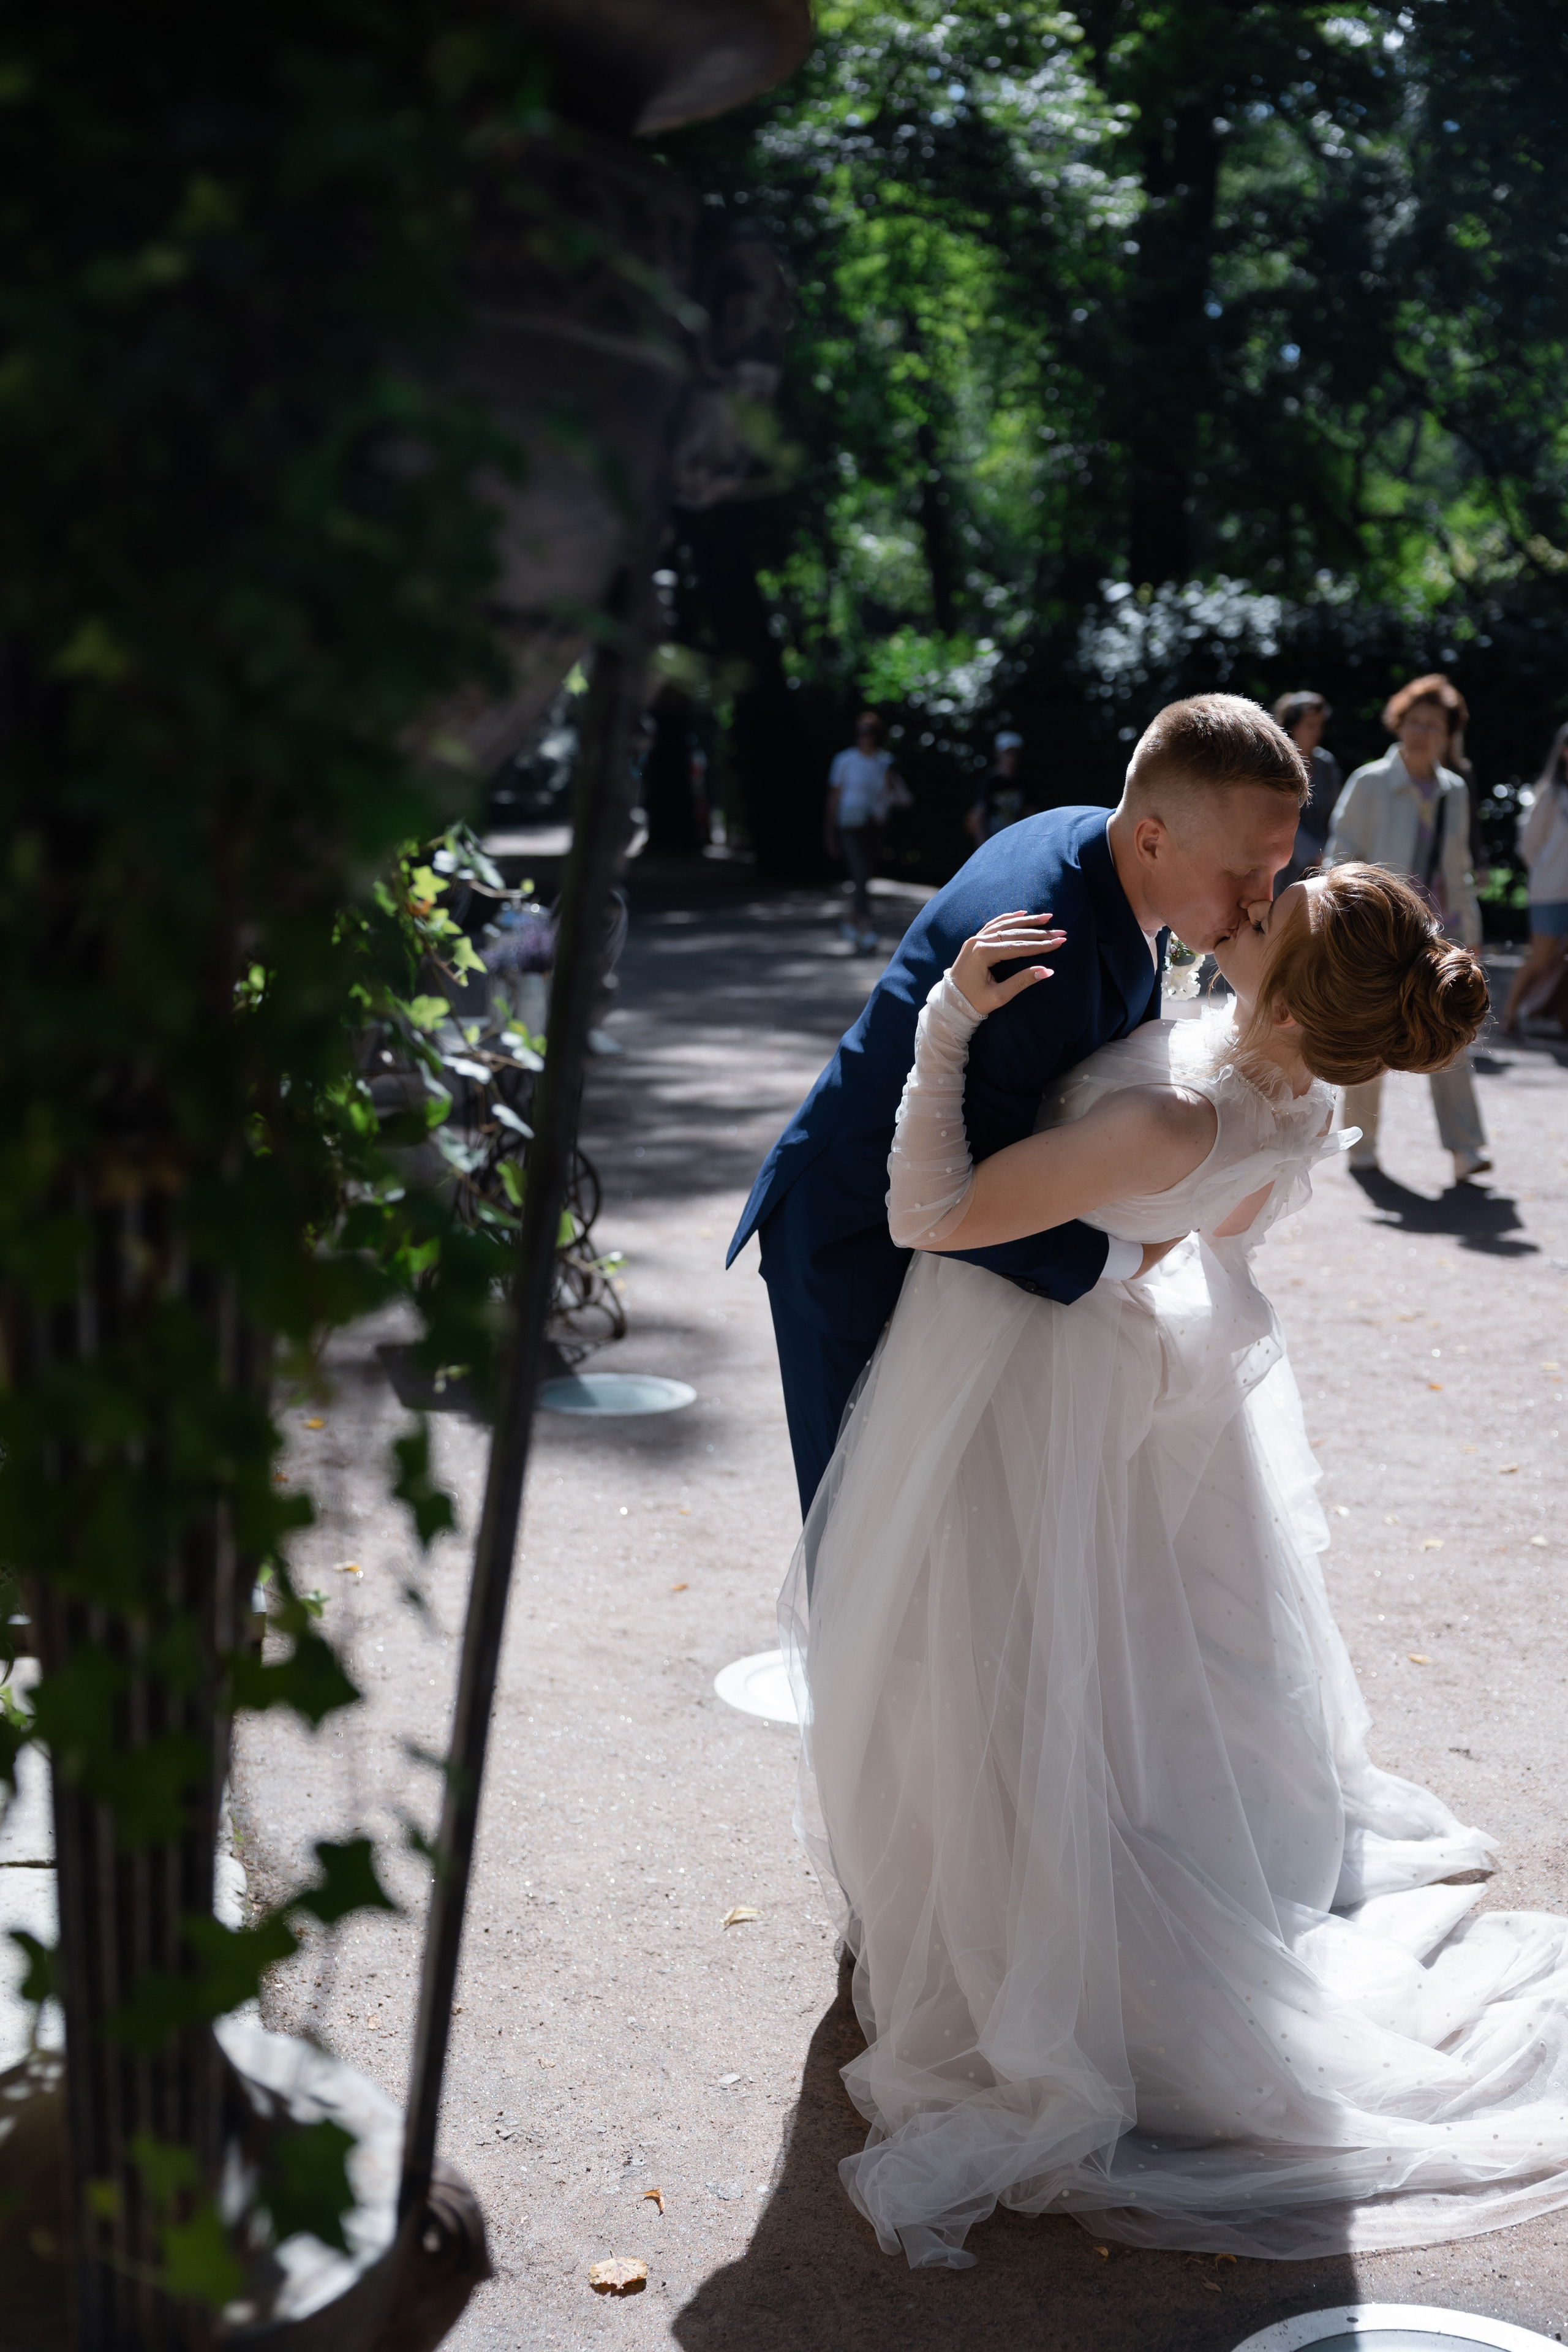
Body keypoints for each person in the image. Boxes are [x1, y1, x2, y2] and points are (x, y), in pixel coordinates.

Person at [774, 873, 1568, 2277]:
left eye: (1261, 919)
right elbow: (1206, 1225)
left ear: (1276, 988)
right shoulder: (1301, 1094)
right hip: (1118, 1371)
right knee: (1089, 1683)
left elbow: (927, 1207)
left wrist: (951, 1023)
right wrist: (1136, 1237)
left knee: (986, 1664)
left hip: (1020, 1379)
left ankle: (1013, 1956)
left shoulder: (1168, 1113)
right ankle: (999, 1908)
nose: (1242, 902)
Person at [730, 694, 1306, 1517]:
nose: (1262, 896)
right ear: (1153, 838)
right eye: (1247, 870)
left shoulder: (1141, 866)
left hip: (973, 1255)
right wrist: (1130, 1259)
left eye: (1276, 867)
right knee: (870, 1529)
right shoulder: (1043, 951)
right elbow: (967, 1196)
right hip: (861, 1236)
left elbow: (1162, 1009)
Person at [1324, 673, 1490, 1183]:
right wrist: (1351, 919)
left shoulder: (1454, 790)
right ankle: (1362, 1148)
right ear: (1399, 723)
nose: (1422, 732)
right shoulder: (1371, 781)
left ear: (1447, 734)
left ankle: (1465, 1150)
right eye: (1414, 721)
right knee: (1375, 1038)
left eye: (1433, 725)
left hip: (1444, 935)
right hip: (1383, 931)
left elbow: (1457, 865)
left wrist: (1473, 932)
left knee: (1453, 1036)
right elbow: (1340, 853)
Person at [1502, 720, 1568, 1034]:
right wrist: (1546, 874)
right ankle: (1511, 1014)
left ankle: (1553, 1015)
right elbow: (1530, 844)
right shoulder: (1550, 794)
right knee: (1541, 958)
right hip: (1550, 892)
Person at [826, 711, 908, 953]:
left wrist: (891, 782)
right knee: (860, 876)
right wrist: (829, 834)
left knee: (864, 879)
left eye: (870, 732)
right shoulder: (845, 760)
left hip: (874, 827)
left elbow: (901, 798)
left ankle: (849, 921)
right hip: (850, 826)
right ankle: (866, 928)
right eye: (862, 732)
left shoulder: (884, 762)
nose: (866, 737)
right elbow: (834, 799)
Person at [1272, 690, 1341, 884]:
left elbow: (1337, 813)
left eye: (1320, 726)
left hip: (1325, 864)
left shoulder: (1326, 764)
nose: (1317, 733)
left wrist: (1334, 852)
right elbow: (1277, 819)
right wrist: (1315, 854)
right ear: (1293, 727)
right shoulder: (1276, 765)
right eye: (1311, 726)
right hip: (1283, 866)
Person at [965, 731, 1035, 843]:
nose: (1011, 757)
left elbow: (1030, 812)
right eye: (1007, 753)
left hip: (1017, 838)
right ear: (997, 753)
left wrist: (1032, 839)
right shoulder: (989, 780)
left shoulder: (1024, 781)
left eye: (1014, 753)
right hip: (993, 839)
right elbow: (978, 815)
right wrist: (981, 846)